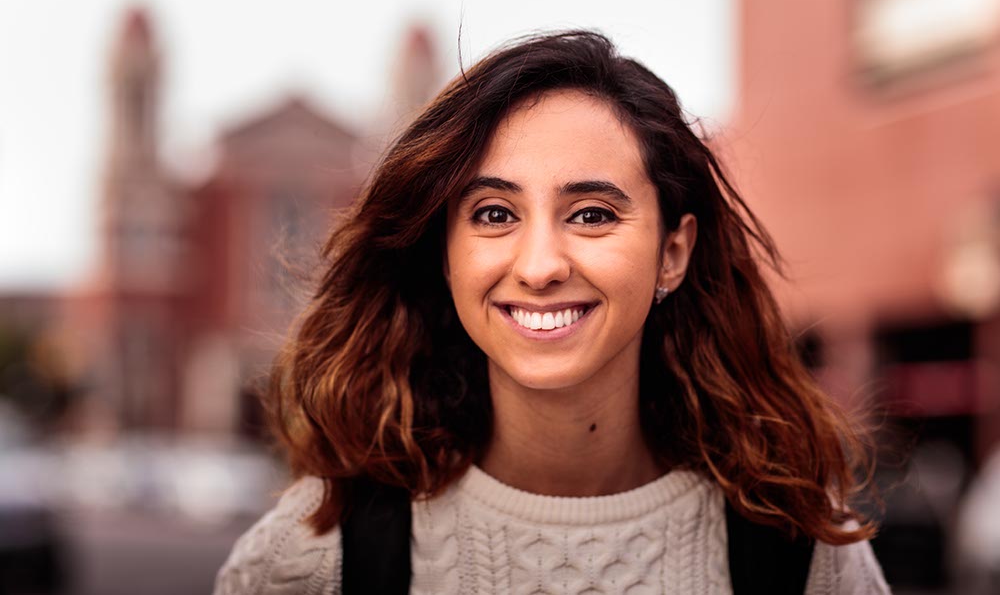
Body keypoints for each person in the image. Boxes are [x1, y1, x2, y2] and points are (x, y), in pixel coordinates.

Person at [214, 31, 890, 594]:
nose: (539, 267)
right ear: (445, 254)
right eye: (495, 214)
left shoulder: (800, 555)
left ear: (673, 252)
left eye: (592, 214)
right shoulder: (316, 557)